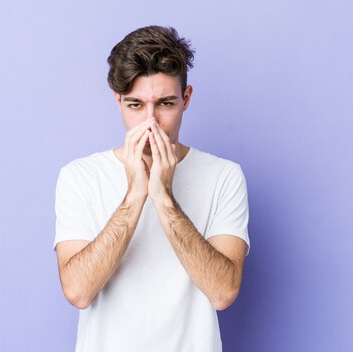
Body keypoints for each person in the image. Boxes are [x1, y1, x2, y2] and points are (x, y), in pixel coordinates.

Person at [53, 25, 250, 352]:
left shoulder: (224, 176)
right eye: (135, 105)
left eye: (165, 104)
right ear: (117, 100)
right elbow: (78, 292)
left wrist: (164, 198)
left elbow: (223, 293)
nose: (151, 123)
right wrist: (135, 196)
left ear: (186, 100)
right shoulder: (80, 176)